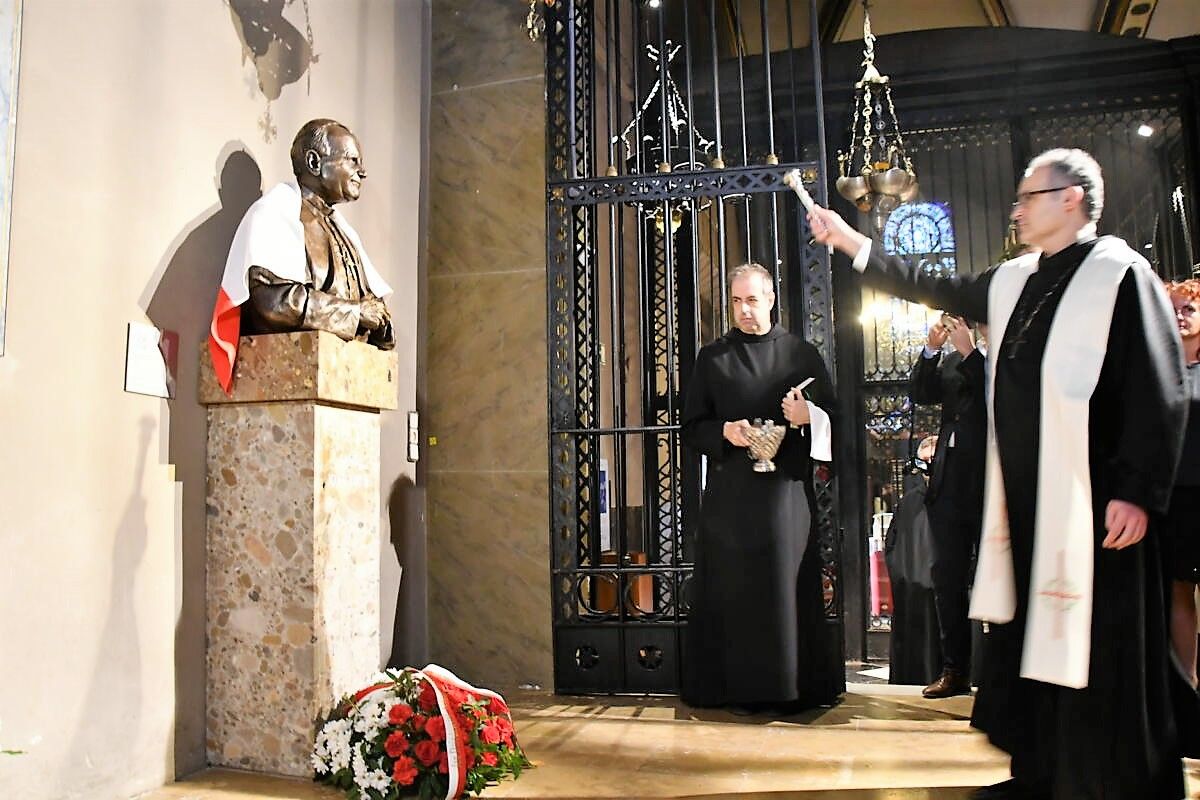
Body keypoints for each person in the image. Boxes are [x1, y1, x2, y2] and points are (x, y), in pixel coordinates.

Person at [809, 148, 1188, 799]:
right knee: (1031, 652)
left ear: (1070, 199)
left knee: (1099, 656)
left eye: (1028, 197)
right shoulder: (1017, 279)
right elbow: (937, 288)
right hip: (1028, 510)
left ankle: (1106, 784)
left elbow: (1160, 388)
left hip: (1096, 512)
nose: (1016, 210)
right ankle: (1041, 774)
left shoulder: (1120, 275)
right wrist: (851, 243)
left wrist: (1137, 491)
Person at [680, 262, 843, 712]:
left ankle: (789, 688)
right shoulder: (713, 358)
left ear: (771, 300)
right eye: (736, 301)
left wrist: (809, 417)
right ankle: (733, 688)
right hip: (731, 496)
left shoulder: (800, 355)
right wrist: (724, 433)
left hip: (785, 495)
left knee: (783, 589)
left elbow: (837, 419)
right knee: (733, 590)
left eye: (752, 300)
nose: (744, 310)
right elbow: (691, 427)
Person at [208, 118, 394, 393]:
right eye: (352, 160)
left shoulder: (344, 232)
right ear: (314, 162)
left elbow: (370, 304)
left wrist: (378, 321)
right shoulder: (272, 215)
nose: (362, 171)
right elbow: (273, 302)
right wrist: (355, 313)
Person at [909, 314, 988, 699]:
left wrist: (971, 353)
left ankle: (1001, 672)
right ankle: (955, 669)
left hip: (992, 484)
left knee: (997, 578)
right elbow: (921, 394)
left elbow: (998, 399)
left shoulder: (1005, 355)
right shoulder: (954, 359)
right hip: (950, 484)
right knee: (947, 579)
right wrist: (932, 351)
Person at [1163, 279, 1200, 686]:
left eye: (1188, 308)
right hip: (1172, 495)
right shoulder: (1159, 372)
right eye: (1173, 308)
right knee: (1178, 590)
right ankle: (1188, 687)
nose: (1180, 316)